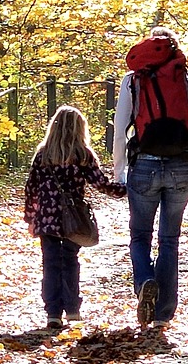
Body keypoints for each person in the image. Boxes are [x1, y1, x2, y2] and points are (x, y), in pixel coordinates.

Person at [112, 27, 188, 329]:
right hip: (182, 164)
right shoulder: (186, 77)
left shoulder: (133, 79)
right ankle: (163, 313)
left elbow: (120, 130)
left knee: (140, 235)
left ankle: (144, 282)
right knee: (169, 239)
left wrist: (119, 171)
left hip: (144, 164)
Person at [23, 104, 125, 332]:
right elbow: (101, 184)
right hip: (73, 219)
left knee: (49, 263)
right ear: (80, 129)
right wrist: (126, 190)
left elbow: (31, 188)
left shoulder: (43, 154)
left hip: (47, 219)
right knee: (70, 261)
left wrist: (30, 218)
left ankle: (52, 314)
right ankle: (72, 309)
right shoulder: (83, 155)